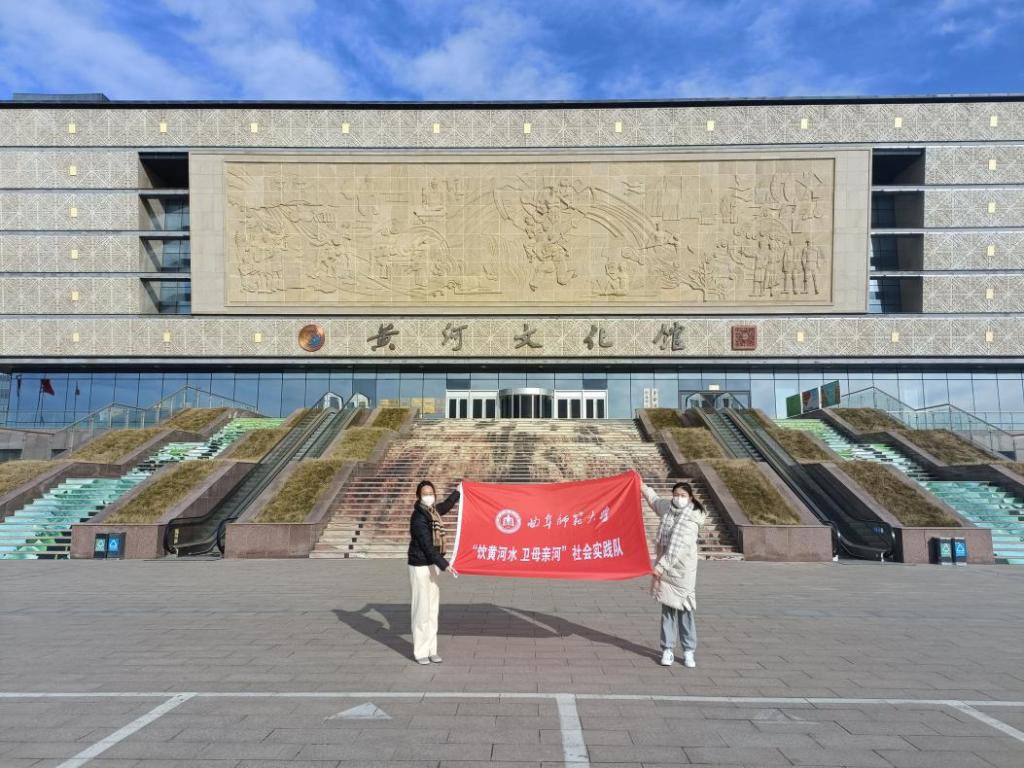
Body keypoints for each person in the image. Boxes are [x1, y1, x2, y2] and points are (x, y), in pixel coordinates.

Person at [640, 480, 707, 668]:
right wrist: (641, 485)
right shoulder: (668, 509)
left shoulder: (692, 519)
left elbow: (678, 549)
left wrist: (660, 567)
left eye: (683, 495)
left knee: (685, 611)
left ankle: (688, 650)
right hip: (665, 571)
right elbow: (654, 501)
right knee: (668, 611)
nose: (679, 498)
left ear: (690, 498)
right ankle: (667, 649)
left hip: (682, 572)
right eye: (676, 495)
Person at [407, 479, 460, 665]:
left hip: (432, 566)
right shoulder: (418, 517)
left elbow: (445, 506)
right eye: (425, 494)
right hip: (420, 566)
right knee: (421, 610)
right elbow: (427, 547)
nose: (429, 496)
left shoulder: (433, 512)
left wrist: (458, 492)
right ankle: (420, 652)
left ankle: (431, 650)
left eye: (431, 493)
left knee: (432, 610)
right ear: (419, 496)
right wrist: (445, 564)